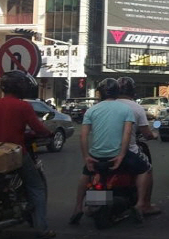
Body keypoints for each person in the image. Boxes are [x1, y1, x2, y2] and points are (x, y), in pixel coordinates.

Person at [69, 78, 151, 225]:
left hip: (96, 156)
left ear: (100, 93)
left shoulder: (92, 110)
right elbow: (126, 134)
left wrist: (86, 156)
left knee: (85, 175)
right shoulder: (126, 109)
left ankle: (77, 208)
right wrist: (121, 155)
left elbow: (83, 135)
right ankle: (139, 205)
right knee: (144, 170)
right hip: (118, 155)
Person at [0, 70, 55, 239]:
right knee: (37, 187)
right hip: (14, 154)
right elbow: (38, 128)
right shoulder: (23, 106)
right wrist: (48, 133)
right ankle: (42, 229)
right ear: (21, 87)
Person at [116, 77, 160, 216]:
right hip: (128, 151)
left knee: (88, 172)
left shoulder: (105, 106)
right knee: (147, 169)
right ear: (133, 91)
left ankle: (80, 205)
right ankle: (143, 204)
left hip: (101, 151)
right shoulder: (136, 108)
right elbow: (147, 134)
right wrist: (154, 134)